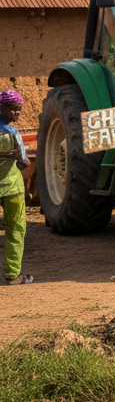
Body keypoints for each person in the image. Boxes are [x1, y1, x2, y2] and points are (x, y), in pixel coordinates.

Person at [0, 89, 33, 284]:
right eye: (13, 110)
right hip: (12, 188)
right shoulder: (12, 133)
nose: (17, 114)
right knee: (15, 230)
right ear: (2, 107)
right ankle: (13, 275)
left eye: (19, 110)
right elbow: (24, 162)